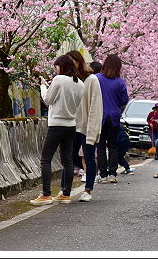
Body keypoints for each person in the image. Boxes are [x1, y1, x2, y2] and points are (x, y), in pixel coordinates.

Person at [31, 55, 84, 205]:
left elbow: (47, 100)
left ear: (62, 67)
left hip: (56, 125)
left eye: (57, 67)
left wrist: (43, 86)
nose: (56, 70)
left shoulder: (59, 80)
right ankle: (65, 194)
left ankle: (46, 194)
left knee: (45, 159)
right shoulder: (80, 83)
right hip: (71, 126)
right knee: (67, 161)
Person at [68, 50, 101, 202]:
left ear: (79, 61)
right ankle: (65, 190)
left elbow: (95, 106)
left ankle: (88, 190)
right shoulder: (69, 80)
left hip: (86, 126)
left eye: (72, 61)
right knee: (69, 158)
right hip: (71, 126)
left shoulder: (92, 80)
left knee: (89, 158)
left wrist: (93, 130)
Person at [95, 55, 129, 184]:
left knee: (101, 146)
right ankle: (112, 174)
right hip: (114, 116)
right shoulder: (120, 82)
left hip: (100, 116)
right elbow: (124, 100)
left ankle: (103, 175)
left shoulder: (97, 79)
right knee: (113, 145)